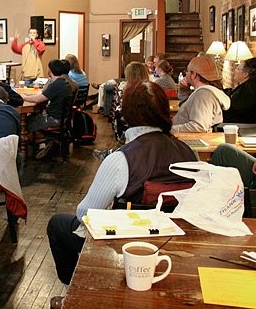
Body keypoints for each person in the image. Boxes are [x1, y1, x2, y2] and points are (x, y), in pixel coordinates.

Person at [46, 82, 197, 305]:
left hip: (127, 246)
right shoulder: (189, 152)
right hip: (178, 244)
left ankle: (77, 293)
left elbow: (86, 213)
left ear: (126, 113)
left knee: (58, 224)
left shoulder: (121, 159)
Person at [171, 56, 230, 133]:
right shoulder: (203, 92)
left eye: (187, 72)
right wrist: (184, 90)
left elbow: (199, 127)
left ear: (194, 74)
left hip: (185, 140)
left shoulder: (203, 95)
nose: (186, 75)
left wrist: (168, 129)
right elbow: (187, 110)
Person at [222, 57, 256, 124]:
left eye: (238, 68)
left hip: (242, 126)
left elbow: (237, 108)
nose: (235, 70)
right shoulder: (248, 85)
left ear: (245, 74)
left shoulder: (253, 88)